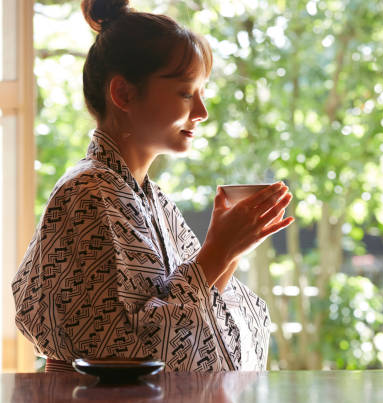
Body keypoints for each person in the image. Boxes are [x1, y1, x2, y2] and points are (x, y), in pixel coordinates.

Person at [12, 0, 294, 372]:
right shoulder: (89, 193)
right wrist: (218, 249)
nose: (202, 112)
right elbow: (125, 350)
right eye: (185, 93)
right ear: (124, 94)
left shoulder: (147, 196)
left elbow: (185, 310)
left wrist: (231, 247)